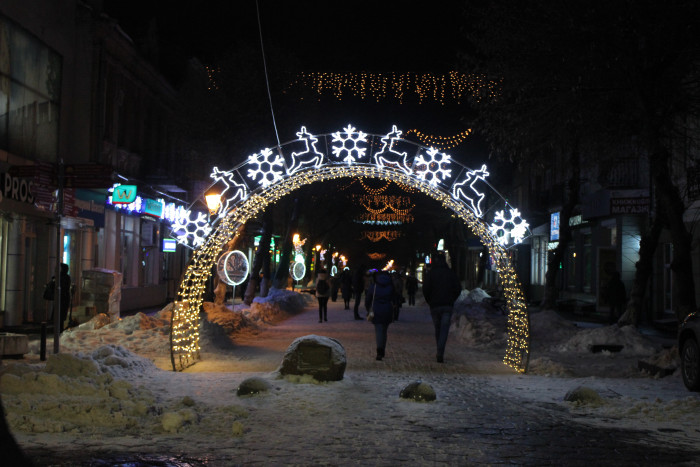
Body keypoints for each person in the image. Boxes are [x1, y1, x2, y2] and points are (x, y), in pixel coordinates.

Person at [422, 254, 461, 363]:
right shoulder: (450, 273)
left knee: (438, 328)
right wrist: (452, 299)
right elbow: (458, 288)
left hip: (434, 306)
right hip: (447, 305)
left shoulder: (431, 274)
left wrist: (430, 300)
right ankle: (440, 351)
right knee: (444, 329)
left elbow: (425, 289)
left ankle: (439, 350)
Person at [365, 270, 396, 361]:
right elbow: (394, 298)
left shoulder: (374, 286)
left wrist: (368, 309)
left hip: (376, 310)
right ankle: (382, 349)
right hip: (387, 310)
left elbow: (368, 299)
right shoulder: (390, 286)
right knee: (384, 330)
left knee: (378, 330)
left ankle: (379, 350)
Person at [49, 263, 72, 332]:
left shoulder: (62, 278)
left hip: (62, 300)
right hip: (62, 299)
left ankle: (59, 331)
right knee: (59, 317)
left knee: (59, 316)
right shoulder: (63, 277)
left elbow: (60, 287)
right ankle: (58, 331)